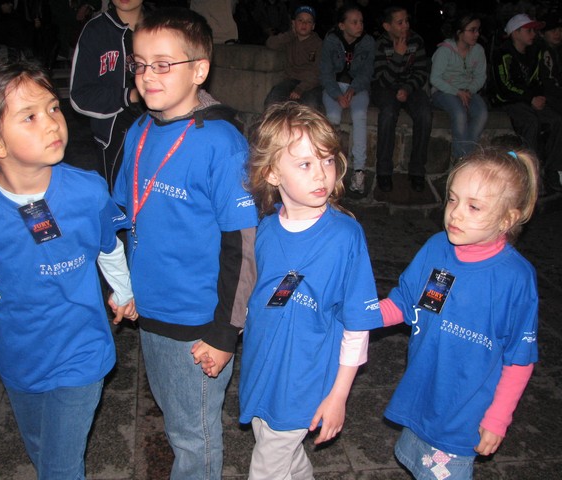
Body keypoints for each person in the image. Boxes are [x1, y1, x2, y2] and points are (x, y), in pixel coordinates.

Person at [0, 59, 137, 479]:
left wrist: (124, 291)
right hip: (18, 354)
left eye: (53, 108)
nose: (53, 123)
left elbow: (107, 245)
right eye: (30, 116)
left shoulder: (87, 190)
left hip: (82, 351)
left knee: (60, 468)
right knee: (41, 449)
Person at [112, 8, 258, 479]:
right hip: (151, 311)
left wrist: (224, 333)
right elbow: (125, 216)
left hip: (197, 323)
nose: (147, 76)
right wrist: (122, 285)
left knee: (194, 437)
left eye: (163, 64)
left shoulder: (222, 144)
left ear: (199, 70)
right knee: (177, 420)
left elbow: (243, 247)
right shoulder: (140, 130)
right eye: (139, 64)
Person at [236, 102, 382, 479]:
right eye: (305, 164)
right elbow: (258, 299)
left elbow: (357, 324)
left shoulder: (345, 237)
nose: (321, 174)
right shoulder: (266, 230)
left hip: (305, 380)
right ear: (272, 173)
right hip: (263, 368)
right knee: (278, 449)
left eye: (328, 160)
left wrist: (338, 396)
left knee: (267, 466)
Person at [380, 147, 540, 479]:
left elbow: (520, 358)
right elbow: (405, 303)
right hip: (425, 392)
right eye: (452, 199)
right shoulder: (437, 247)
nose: (455, 213)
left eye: (473, 206)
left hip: (464, 410)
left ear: (507, 219)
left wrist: (497, 418)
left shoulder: (516, 278)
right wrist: (358, 316)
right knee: (419, 465)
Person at [70, 0, 146, 192]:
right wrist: (130, 95)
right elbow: (80, 95)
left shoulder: (162, 26)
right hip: (116, 135)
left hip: (158, 128)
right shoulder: (97, 30)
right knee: (119, 201)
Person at [490, 13, 562, 194]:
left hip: (528, 100)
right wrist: (530, 98)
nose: (533, 34)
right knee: (530, 122)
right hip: (508, 100)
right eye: (529, 31)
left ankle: (552, 171)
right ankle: (529, 176)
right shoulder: (503, 54)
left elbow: (537, 80)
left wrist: (538, 96)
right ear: (515, 33)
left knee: (556, 121)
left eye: (534, 31)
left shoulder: (533, 53)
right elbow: (505, 86)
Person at [372, 5, 432, 193]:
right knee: (388, 114)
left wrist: (407, 88)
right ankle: (383, 171)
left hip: (410, 87)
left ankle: (417, 170)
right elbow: (382, 79)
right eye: (400, 22)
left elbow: (421, 72)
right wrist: (398, 55)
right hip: (385, 87)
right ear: (387, 26)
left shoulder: (416, 41)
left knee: (425, 113)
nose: (405, 25)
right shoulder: (380, 44)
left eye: (406, 21)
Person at [320, 3, 375, 195]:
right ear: (342, 25)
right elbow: (326, 72)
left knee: (359, 116)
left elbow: (367, 72)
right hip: (334, 86)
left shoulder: (367, 42)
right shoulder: (331, 40)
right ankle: (331, 167)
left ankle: (359, 171)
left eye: (361, 22)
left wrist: (352, 89)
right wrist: (337, 94)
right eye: (354, 22)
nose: (359, 25)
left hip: (357, 88)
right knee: (333, 119)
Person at [430, 12, 488, 162]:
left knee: (481, 113)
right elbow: (435, 78)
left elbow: (480, 77)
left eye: (478, 30)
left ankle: (465, 158)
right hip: (444, 91)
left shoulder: (478, 50)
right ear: (459, 32)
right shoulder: (445, 51)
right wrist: (457, 92)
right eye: (472, 30)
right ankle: (461, 158)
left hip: (468, 91)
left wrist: (469, 90)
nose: (477, 34)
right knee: (459, 113)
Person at [264, 5, 324, 112]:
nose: (304, 24)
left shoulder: (318, 44)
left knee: (310, 106)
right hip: (290, 80)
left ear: (313, 26)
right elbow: (270, 43)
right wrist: (291, 34)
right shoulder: (289, 39)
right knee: (272, 101)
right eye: (300, 20)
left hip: (310, 84)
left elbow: (316, 72)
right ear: (293, 23)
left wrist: (300, 88)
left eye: (308, 21)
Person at [540, 12, 562, 115]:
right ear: (542, 33)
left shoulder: (556, 49)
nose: (558, 34)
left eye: (560, 30)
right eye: (553, 31)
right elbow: (548, 83)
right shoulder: (543, 51)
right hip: (546, 96)